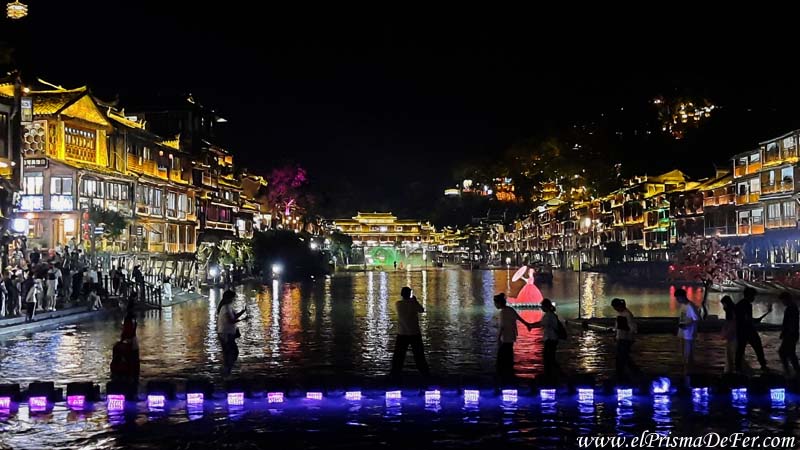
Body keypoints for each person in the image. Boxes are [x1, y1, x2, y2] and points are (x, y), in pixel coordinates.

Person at [390, 286, 430, 379]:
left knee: (399, 356)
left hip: (402, 333)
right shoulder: (413, 304)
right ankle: (425, 374)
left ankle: (395, 374)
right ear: (410, 294)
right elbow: (422, 310)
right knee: (419, 355)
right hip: (414, 333)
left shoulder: (398, 304)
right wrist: (415, 301)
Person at [493, 293, 534, 381]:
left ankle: (502, 377)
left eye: (495, 303)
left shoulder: (502, 313)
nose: (495, 305)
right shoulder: (511, 310)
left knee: (501, 360)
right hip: (511, 337)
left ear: (499, 303)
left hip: (505, 339)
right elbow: (519, 318)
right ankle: (510, 375)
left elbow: (502, 327)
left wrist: (498, 339)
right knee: (509, 357)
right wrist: (527, 325)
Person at [735, 287, 770, 373]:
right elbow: (748, 319)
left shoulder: (739, 304)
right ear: (750, 295)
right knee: (757, 347)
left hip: (741, 330)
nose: (754, 298)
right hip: (748, 330)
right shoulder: (746, 305)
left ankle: (737, 367)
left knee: (740, 349)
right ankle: (763, 365)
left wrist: (754, 320)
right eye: (753, 296)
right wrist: (755, 320)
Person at [530, 298, 563, 382]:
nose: (541, 308)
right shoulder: (552, 315)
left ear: (546, 306)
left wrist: (530, 325)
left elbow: (541, 324)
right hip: (553, 339)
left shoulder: (548, 315)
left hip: (550, 340)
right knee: (550, 358)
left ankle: (552, 375)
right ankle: (555, 375)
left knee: (548, 358)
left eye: (542, 306)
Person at [217, 290, 246, 375]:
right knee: (231, 352)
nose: (234, 299)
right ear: (229, 298)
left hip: (228, 333)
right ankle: (226, 371)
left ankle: (227, 371)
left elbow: (234, 316)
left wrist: (243, 311)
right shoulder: (225, 308)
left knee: (230, 352)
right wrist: (242, 320)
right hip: (225, 334)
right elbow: (230, 320)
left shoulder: (228, 306)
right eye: (233, 297)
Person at [611, 298, 639, 381]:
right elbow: (617, 327)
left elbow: (632, 327)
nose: (615, 309)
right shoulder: (620, 314)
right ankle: (625, 373)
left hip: (625, 339)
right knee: (623, 357)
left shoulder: (627, 314)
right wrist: (615, 335)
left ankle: (624, 374)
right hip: (621, 338)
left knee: (622, 357)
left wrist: (630, 337)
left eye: (615, 307)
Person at [675, 288, 699, 376]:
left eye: (677, 298)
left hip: (689, 334)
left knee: (688, 355)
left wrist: (687, 325)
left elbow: (696, 319)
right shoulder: (683, 305)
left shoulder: (690, 306)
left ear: (682, 297)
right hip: (683, 333)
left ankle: (689, 373)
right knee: (684, 355)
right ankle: (686, 373)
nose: (677, 300)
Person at [779, 291, 799, 377]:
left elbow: (790, 323)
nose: (782, 303)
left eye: (783, 301)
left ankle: (788, 370)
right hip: (792, 334)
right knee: (791, 353)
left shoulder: (791, 308)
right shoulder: (793, 307)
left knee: (783, 352)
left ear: (786, 299)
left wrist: (786, 334)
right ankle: (795, 370)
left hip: (790, 334)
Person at [720, 296, 738, 374]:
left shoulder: (732, 312)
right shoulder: (734, 311)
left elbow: (732, 325)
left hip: (733, 337)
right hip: (732, 337)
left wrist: (726, 334)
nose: (723, 307)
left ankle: (729, 372)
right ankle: (730, 371)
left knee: (732, 356)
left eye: (723, 304)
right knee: (731, 356)